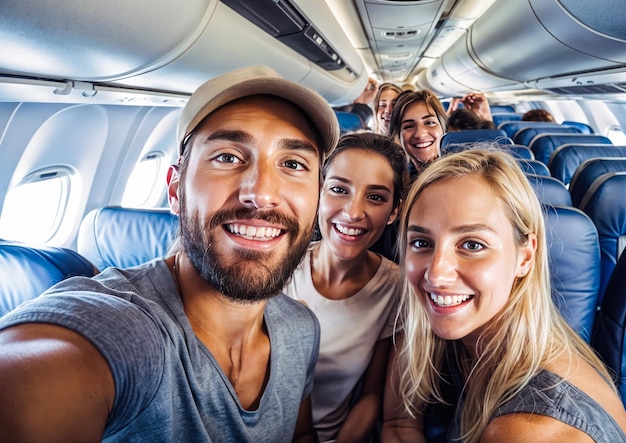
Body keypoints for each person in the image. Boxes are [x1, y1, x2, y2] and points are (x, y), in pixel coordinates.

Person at [0, 65, 341, 442]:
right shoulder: (128, 333)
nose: (260, 193)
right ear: (176, 191)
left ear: (317, 200)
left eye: (293, 164)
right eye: (227, 157)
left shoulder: (301, 329)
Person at [382, 149, 626, 442]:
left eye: (472, 245)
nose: (436, 275)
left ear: (525, 256)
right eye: (421, 242)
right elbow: (399, 421)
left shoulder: (530, 430)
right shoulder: (466, 331)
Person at [284, 132, 408, 442]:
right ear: (318, 193)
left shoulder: (396, 288)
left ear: (394, 211)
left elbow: (371, 396)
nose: (353, 212)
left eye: (376, 197)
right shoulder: (278, 269)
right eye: (339, 189)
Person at [388, 89, 448, 180]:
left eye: (429, 122)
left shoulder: (461, 175)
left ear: (443, 127)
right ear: (399, 137)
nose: (420, 134)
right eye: (409, 126)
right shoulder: (398, 182)